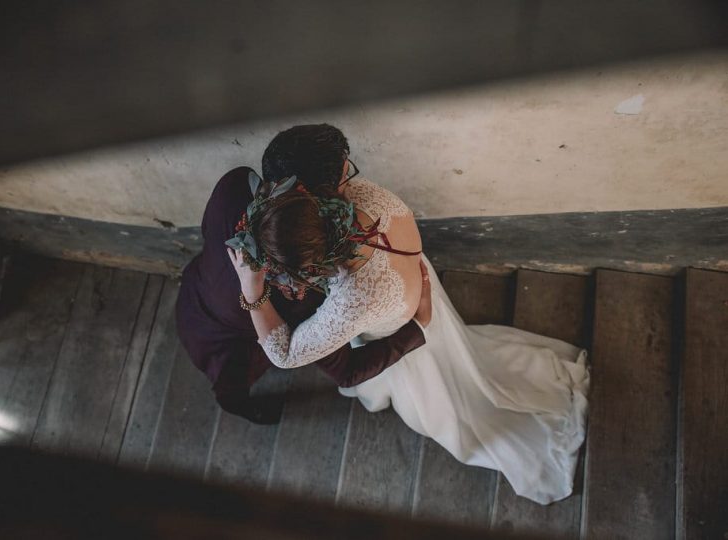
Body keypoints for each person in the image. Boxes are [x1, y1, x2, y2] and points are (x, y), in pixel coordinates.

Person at [228, 124, 590, 505]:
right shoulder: (370, 195)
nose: (350, 170)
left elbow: (285, 354)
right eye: (343, 169)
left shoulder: (355, 293)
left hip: (397, 322)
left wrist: (252, 290)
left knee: (437, 405)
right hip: (412, 290)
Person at [175, 125, 431, 425]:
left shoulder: (234, 185)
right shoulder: (307, 290)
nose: (351, 178)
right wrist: (419, 328)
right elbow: (345, 371)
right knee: (231, 384)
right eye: (344, 175)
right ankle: (237, 406)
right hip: (234, 336)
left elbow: (210, 229)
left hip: (198, 286)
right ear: (318, 200)